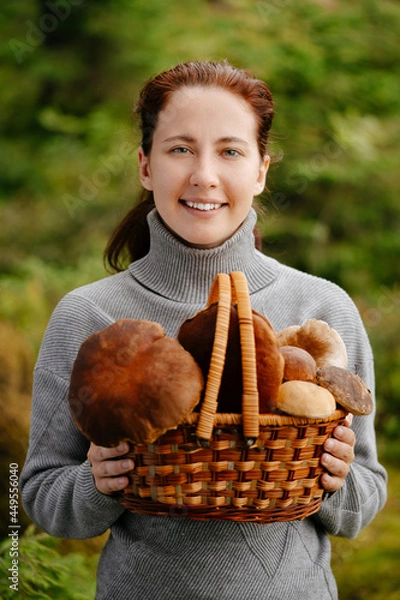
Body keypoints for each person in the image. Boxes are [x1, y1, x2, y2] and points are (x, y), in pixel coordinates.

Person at [20, 60, 387, 600]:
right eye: (180, 149)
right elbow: (36, 493)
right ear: (146, 166)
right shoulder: (90, 315)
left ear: (262, 170)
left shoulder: (320, 306)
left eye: (230, 151)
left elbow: (365, 496)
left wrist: (332, 481)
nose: (204, 175)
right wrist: (97, 482)